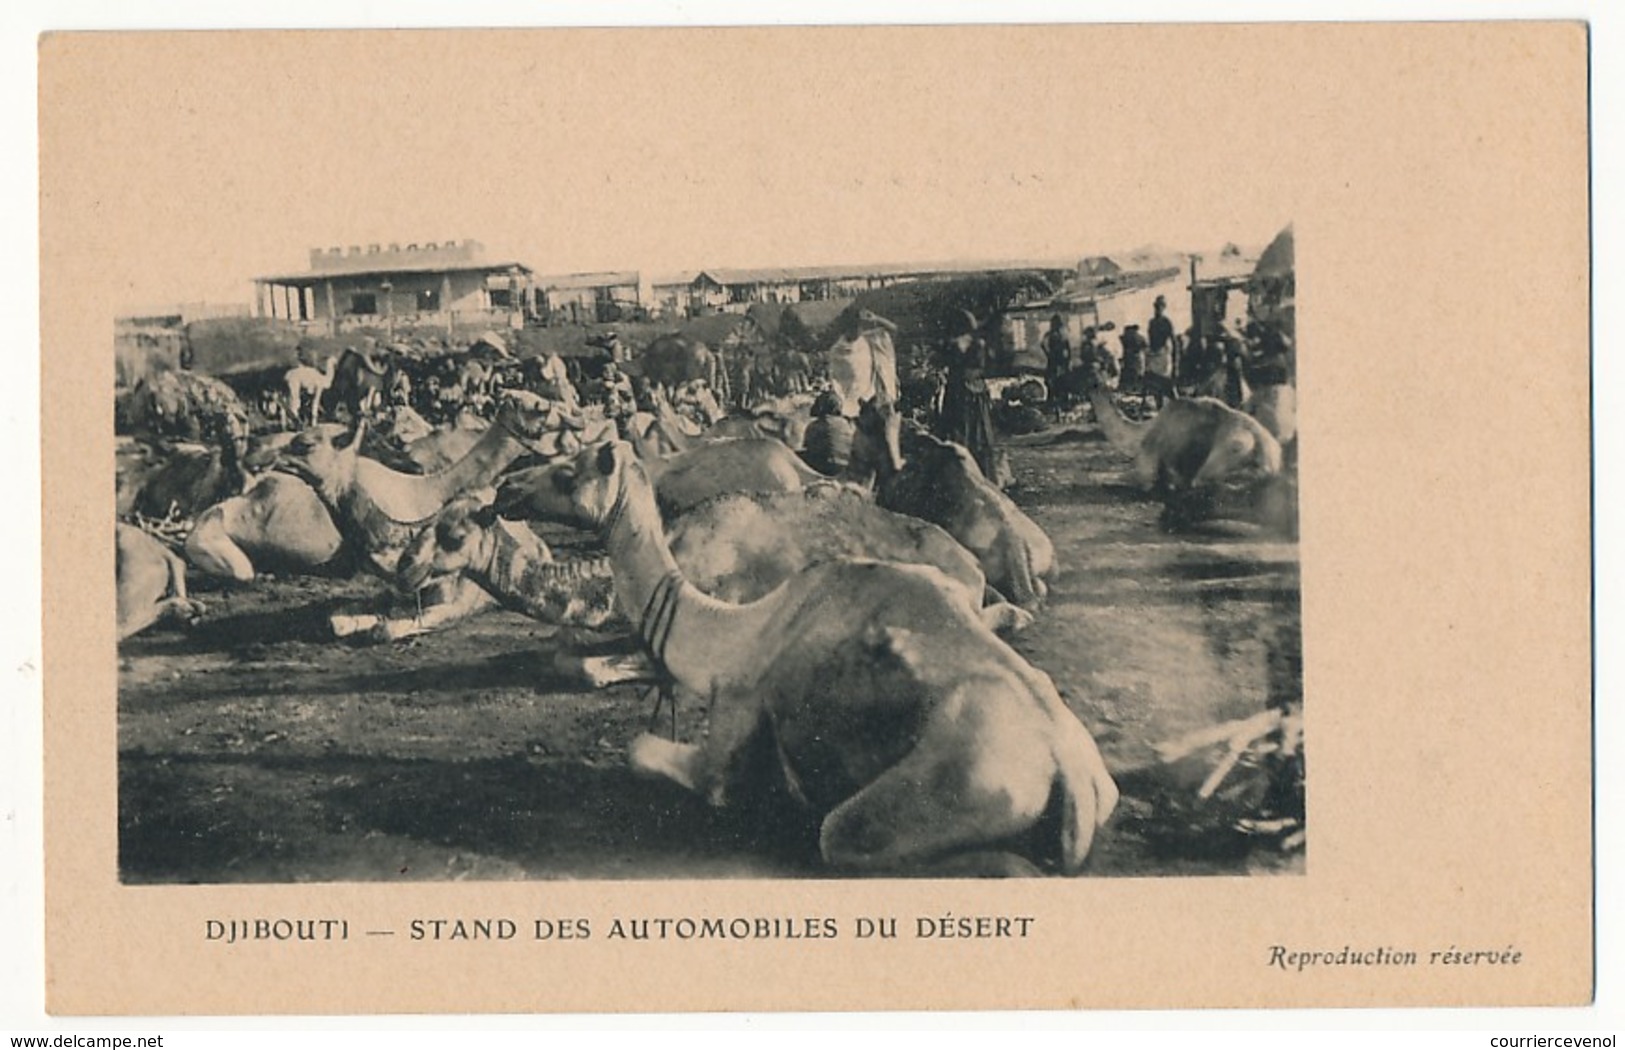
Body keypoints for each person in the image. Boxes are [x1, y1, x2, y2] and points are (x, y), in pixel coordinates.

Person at [936, 308, 999, 483]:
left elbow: (966, 368)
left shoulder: (958, 345)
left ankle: (965, 476)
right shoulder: (976, 344)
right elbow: (980, 368)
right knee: (976, 435)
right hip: (970, 392)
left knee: (962, 431)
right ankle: (980, 476)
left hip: (961, 392)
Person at [800, 388, 854, 476]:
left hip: (823, 467)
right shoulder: (847, 424)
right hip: (843, 466)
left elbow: (807, 446)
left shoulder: (816, 425)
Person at [1144, 296, 1177, 409]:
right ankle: (1160, 409)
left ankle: (1178, 407)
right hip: (1154, 355)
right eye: (1156, 306)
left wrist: (1175, 363)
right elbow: (1150, 339)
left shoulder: (1166, 322)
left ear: (1164, 308)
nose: (1158, 309)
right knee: (1156, 387)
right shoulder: (1152, 322)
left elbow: (1174, 341)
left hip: (1163, 355)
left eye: (1160, 307)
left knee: (1166, 384)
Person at [1042, 313, 1072, 403]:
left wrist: (1048, 353)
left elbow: (1042, 344)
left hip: (1054, 360)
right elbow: (1067, 347)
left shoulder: (1050, 334)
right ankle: (1062, 400)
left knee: (1052, 380)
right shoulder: (1062, 333)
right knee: (1061, 380)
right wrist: (1068, 359)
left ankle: (1053, 400)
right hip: (1060, 360)